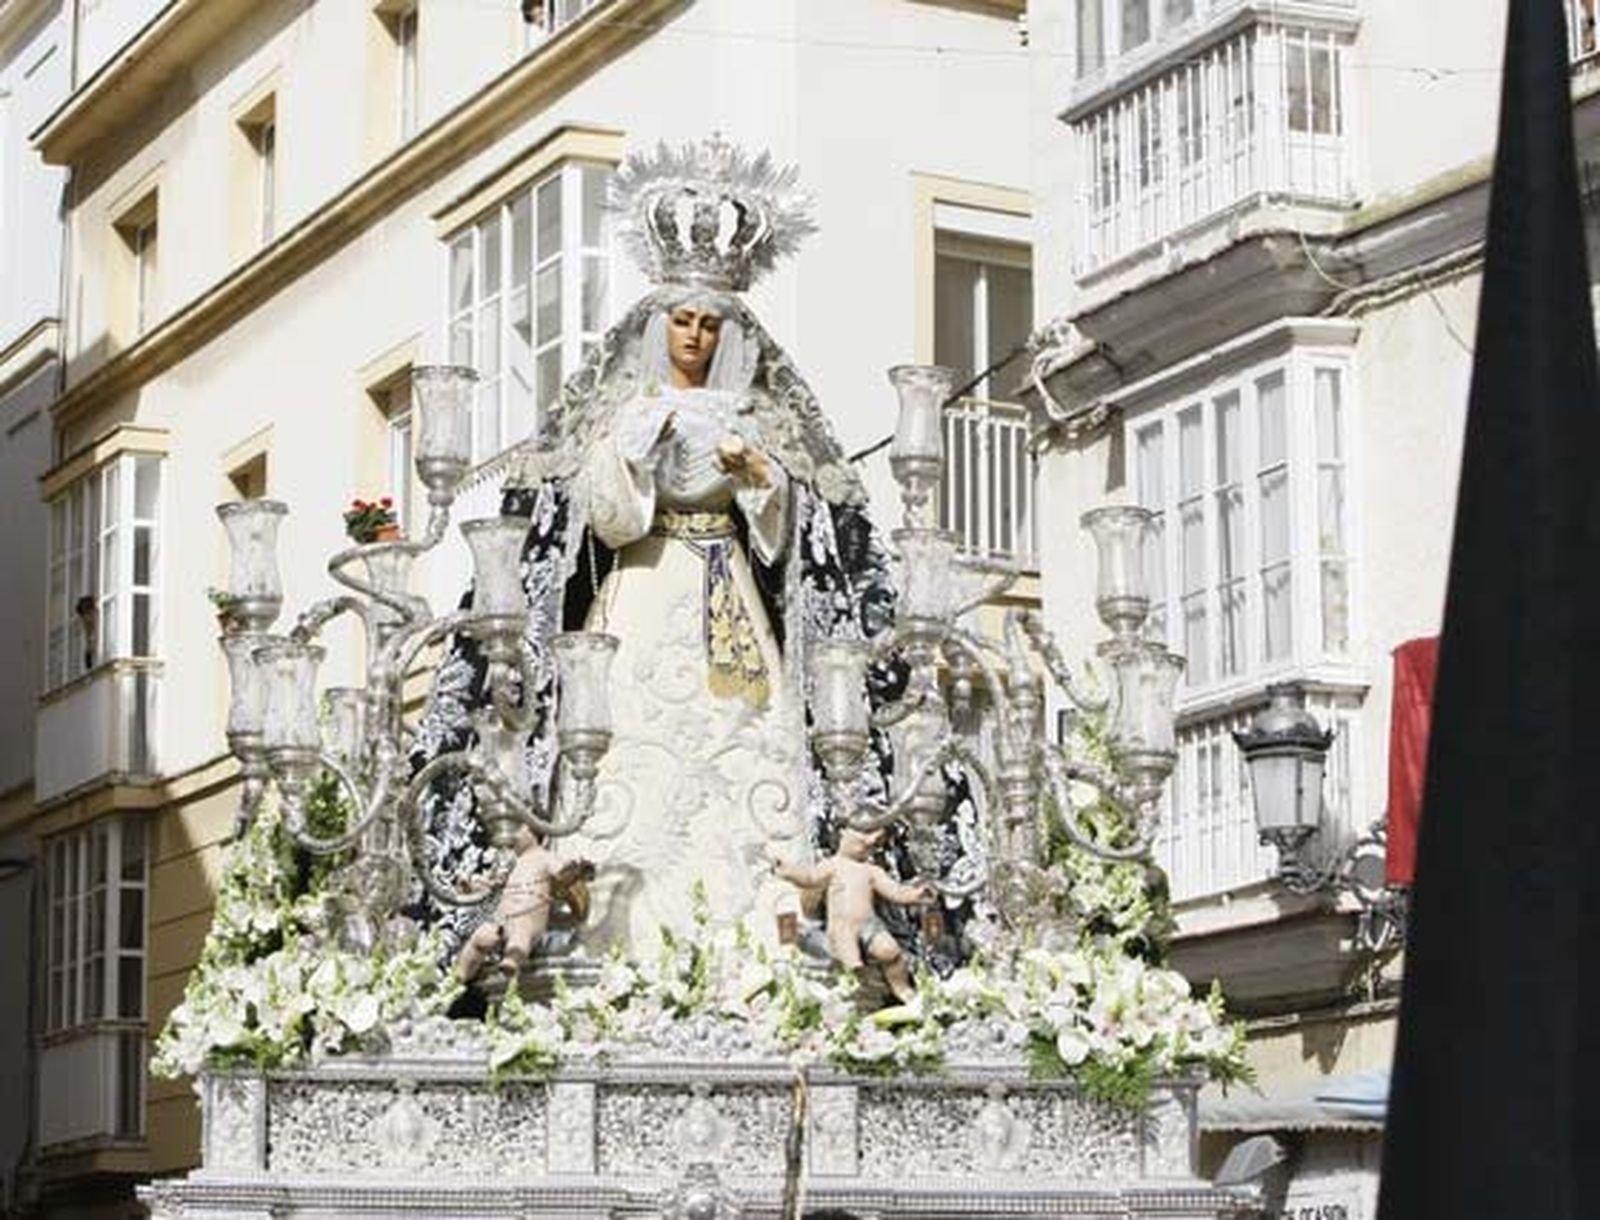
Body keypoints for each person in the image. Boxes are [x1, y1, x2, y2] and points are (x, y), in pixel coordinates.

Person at [771, 826, 935, 1004]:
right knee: (852, 963)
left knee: (891, 952)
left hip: (870, 924)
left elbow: (895, 891)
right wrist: (789, 871)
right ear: (842, 832)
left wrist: (915, 895)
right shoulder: (832, 865)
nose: (870, 841)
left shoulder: (872, 871)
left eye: (876, 841)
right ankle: (862, 996)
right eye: (865, 832)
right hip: (843, 927)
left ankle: (902, 988)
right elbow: (810, 878)